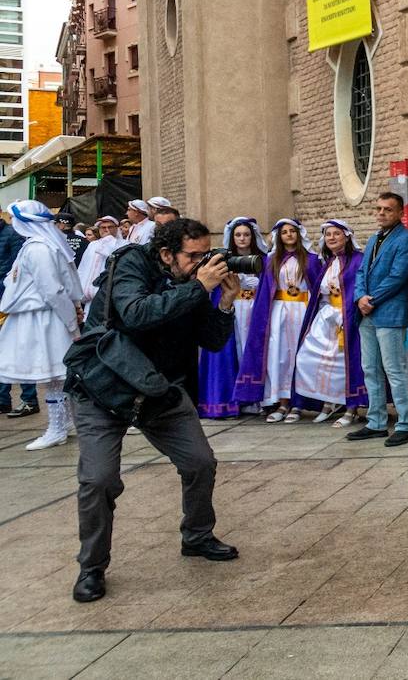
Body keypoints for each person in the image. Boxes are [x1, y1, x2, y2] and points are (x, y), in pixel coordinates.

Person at [66, 217, 240, 604]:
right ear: (166, 253)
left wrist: (225, 303)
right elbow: (137, 313)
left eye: (205, 254)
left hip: (159, 389)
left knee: (200, 463)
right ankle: (91, 568)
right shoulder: (130, 265)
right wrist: (198, 287)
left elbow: (211, 341)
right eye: (193, 256)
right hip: (104, 386)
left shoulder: (193, 282)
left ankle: (197, 536)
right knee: (98, 479)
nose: (203, 262)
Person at [0, 201, 83, 450]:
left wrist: (71, 322)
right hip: (40, 315)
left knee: (52, 377)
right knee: (55, 378)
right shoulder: (39, 246)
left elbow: (53, 290)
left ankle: (56, 428)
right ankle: (62, 423)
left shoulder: (39, 249)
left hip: (44, 319)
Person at [347, 193, 408, 447]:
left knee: (394, 370)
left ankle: (405, 424)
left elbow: (398, 277)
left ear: (400, 213)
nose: (381, 213)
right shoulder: (373, 239)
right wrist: (359, 298)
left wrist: (371, 300)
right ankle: (376, 422)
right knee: (370, 368)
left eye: (387, 209)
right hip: (367, 313)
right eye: (378, 209)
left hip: (389, 313)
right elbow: (360, 273)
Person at [233, 219, 320, 422]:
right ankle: (282, 403)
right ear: (278, 237)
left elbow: (316, 288)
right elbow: (264, 290)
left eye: (292, 231)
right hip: (279, 312)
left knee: (300, 357)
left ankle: (298, 404)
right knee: (279, 357)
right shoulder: (271, 260)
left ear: (299, 234)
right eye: (284, 232)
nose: (288, 235)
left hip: (301, 310)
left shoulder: (311, 260)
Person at [292, 220, 368, 426]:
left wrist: (347, 315)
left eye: (336, 234)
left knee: (345, 364)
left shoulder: (358, 260)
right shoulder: (328, 262)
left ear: (347, 236)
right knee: (309, 358)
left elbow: (357, 289)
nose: (332, 238)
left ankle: (351, 407)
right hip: (327, 319)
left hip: (348, 318)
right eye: (328, 235)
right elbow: (322, 292)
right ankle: (330, 401)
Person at [197, 217, 269, 419]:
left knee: (252, 352)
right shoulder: (223, 262)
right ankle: (231, 400)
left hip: (255, 311)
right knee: (232, 352)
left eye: (246, 234)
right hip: (234, 310)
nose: (242, 238)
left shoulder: (263, 261)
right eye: (238, 235)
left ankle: (255, 400)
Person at [0, 208, 37, 418]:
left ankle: (29, 398)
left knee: (19, 348)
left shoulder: (13, 236)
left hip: (10, 300)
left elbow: (16, 271)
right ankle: (2, 399)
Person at [77, 217, 124, 303]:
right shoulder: (92, 245)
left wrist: (109, 240)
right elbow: (83, 267)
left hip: (109, 296)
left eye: (110, 227)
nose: (106, 230)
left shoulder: (123, 244)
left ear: (116, 228)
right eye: (103, 227)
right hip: (88, 295)